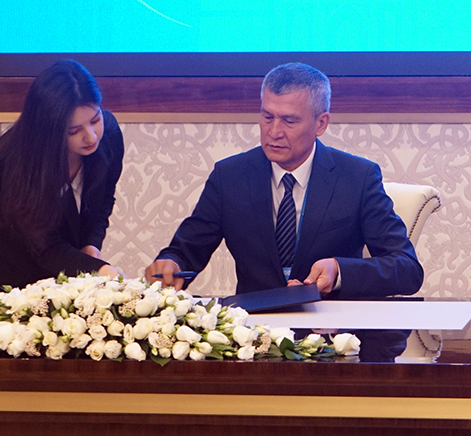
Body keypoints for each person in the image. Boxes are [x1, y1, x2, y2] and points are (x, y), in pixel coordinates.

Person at [145, 63, 423, 298]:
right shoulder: (229, 176)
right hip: (254, 331)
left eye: (289, 121)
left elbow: (406, 268)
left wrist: (339, 270)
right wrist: (171, 264)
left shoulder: (357, 178)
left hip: (333, 329)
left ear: (321, 123)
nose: (274, 131)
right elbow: (186, 252)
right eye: (267, 117)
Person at [0, 60, 124, 294]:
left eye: (95, 120)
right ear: (48, 130)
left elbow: (102, 202)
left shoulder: (108, 137)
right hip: (6, 285)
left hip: (61, 284)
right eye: (73, 131)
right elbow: (44, 246)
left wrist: (91, 243)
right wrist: (98, 269)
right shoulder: (12, 162)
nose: (91, 137)